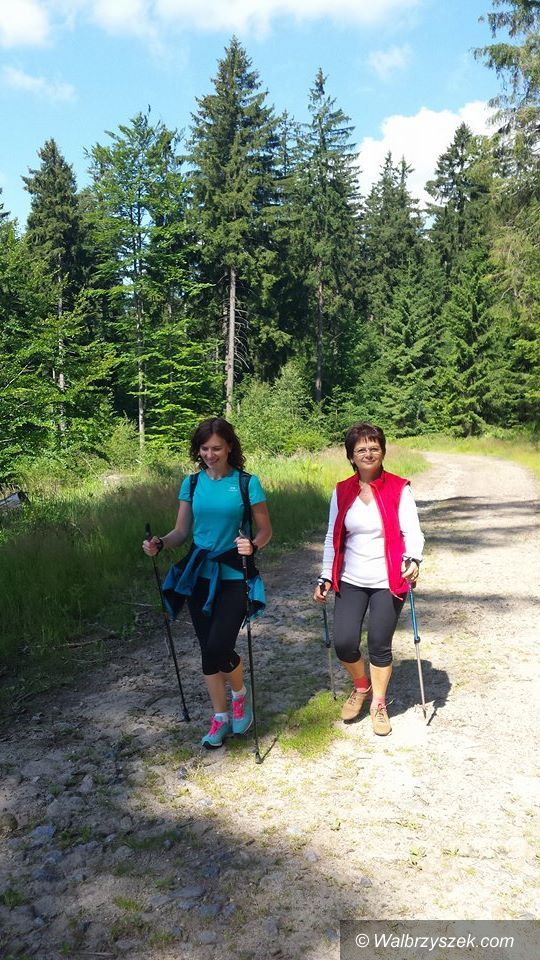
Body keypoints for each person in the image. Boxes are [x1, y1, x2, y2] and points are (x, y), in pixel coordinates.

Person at [143, 417, 272, 749]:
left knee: (218, 646)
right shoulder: (192, 483)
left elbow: (265, 530)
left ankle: (240, 695)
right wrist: (160, 543)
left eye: (216, 448)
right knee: (207, 651)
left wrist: (253, 545)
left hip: (234, 575)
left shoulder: (246, 483)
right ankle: (220, 716)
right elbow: (181, 532)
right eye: (204, 449)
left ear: (229, 447)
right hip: (199, 575)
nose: (210, 455)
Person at [313, 422, 424, 736]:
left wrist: (414, 559)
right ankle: (361, 685)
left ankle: (378, 703)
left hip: (387, 579)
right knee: (345, 643)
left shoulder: (399, 488)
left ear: (383, 452)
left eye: (374, 447)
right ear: (351, 456)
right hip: (351, 578)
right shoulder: (341, 490)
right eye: (361, 449)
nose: (368, 453)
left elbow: (413, 532)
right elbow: (331, 537)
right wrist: (326, 575)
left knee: (378, 644)